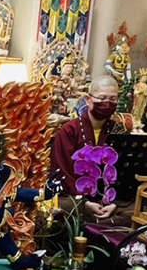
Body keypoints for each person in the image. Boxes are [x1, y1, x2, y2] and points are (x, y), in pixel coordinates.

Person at [50, 75, 133, 222]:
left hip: (108, 199)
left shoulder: (118, 131)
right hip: (75, 198)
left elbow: (124, 173)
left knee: (136, 210)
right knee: (64, 208)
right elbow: (62, 172)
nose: (107, 104)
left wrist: (113, 203)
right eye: (102, 98)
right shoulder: (70, 130)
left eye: (112, 99)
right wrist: (85, 203)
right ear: (88, 100)